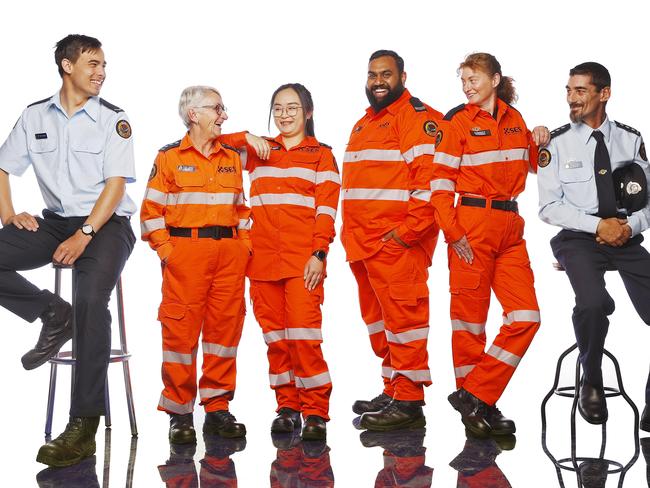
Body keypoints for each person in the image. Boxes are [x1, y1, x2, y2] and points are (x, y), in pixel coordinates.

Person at [0, 34, 137, 467]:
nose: (101, 72)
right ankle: (52, 313)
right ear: (66, 66)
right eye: (93, 63)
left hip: (107, 222)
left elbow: (115, 188)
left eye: (104, 65)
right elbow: (3, 166)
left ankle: (83, 426)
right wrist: (8, 216)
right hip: (55, 220)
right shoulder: (35, 115)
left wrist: (85, 234)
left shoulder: (113, 119)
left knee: (92, 301)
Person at [430, 52, 548, 437]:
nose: (467, 87)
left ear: (495, 79)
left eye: (473, 79)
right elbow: (440, 184)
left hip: (510, 225)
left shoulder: (515, 120)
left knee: (526, 317)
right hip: (471, 224)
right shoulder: (457, 123)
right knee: (470, 323)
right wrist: (453, 232)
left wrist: (541, 138)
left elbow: (535, 164)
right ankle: (478, 409)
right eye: (463, 80)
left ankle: (476, 393)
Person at [220, 83, 339, 441]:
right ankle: (288, 407)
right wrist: (247, 136)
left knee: (304, 336)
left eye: (292, 108)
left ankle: (315, 409)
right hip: (261, 261)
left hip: (303, 260)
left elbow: (327, 210)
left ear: (308, 112)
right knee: (276, 339)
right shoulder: (259, 151)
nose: (284, 115)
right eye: (278, 108)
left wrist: (320, 253)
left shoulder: (321, 155)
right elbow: (212, 144)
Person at [538, 61, 650, 431]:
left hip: (624, 235)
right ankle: (591, 378)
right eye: (569, 90)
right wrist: (596, 225)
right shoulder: (554, 142)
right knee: (589, 304)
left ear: (604, 93)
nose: (572, 98)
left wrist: (628, 226)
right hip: (577, 238)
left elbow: (648, 201)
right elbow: (549, 207)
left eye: (580, 90)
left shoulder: (631, 140)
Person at [140, 86, 251, 444]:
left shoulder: (231, 156)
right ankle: (179, 411)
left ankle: (217, 407)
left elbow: (242, 210)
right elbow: (150, 213)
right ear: (194, 114)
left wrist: (244, 248)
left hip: (229, 255)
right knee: (180, 335)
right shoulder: (169, 157)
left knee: (224, 333)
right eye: (217, 109)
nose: (224, 115)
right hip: (186, 255)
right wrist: (168, 252)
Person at [342, 49, 442, 431]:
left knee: (405, 321)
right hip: (363, 244)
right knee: (381, 323)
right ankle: (394, 386)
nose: (378, 81)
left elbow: (430, 182)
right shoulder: (366, 122)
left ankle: (410, 402)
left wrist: (405, 235)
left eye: (385, 74)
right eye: (372, 75)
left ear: (403, 75)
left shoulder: (418, 119)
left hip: (395, 243)